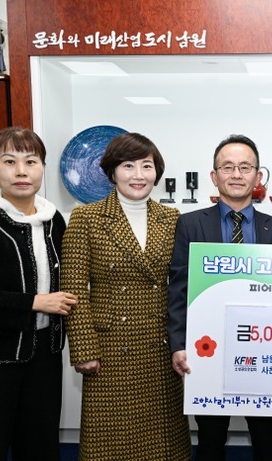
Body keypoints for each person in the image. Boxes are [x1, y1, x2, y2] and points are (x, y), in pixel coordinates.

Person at [61, 132, 191, 460]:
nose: (138, 175)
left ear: (157, 172)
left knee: (163, 443)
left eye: (146, 166)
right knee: (111, 441)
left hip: (160, 347)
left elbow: (181, 284)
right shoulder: (86, 218)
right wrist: (84, 350)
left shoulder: (172, 218)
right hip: (109, 351)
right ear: (112, 171)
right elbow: (73, 289)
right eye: (128, 166)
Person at [168, 134, 272, 461]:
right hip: (207, 349)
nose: (236, 174)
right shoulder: (189, 224)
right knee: (210, 439)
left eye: (245, 167)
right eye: (228, 167)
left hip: (264, 349)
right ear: (214, 175)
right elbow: (178, 288)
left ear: (258, 176)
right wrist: (178, 343)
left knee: (266, 437)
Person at [0, 127, 78, 460]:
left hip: (44, 356)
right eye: (9, 161)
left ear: (42, 167)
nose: (21, 171)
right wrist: (33, 303)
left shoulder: (54, 221)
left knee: (40, 446)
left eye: (31, 161)